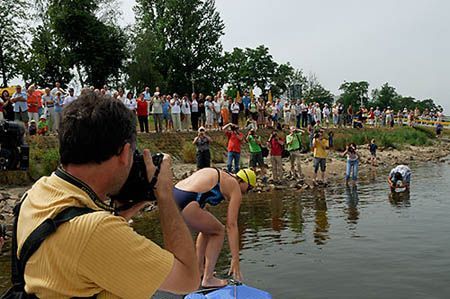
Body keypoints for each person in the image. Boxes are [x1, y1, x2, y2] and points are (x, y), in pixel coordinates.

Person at [13, 91, 199, 297]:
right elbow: (188, 279)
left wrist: (120, 214)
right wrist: (164, 195)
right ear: (125, 153)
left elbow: (75, 250)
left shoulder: (38, 192)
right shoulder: (96, 231)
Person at [173, 167, 256, 287]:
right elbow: (231, 225)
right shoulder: (234, 186)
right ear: (243, 181)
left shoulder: (224, 176)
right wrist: (235, 258)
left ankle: (199, 270)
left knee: (207, 229)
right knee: (219, 231)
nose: (247, 192)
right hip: (187, 200)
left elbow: (200, 193)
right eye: (249, 188)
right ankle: (208, 278)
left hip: (175, 195)